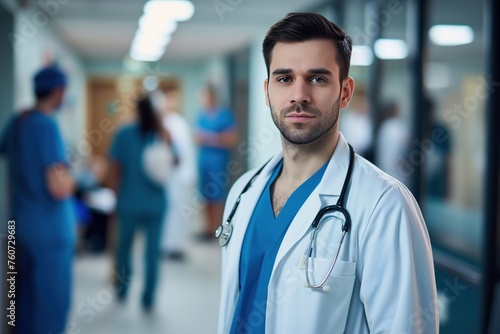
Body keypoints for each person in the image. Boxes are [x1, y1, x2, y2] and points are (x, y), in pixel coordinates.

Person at [217, 12, 438, 334]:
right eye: (284, 78)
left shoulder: (384, 204)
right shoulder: (244, 192)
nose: (299, 95)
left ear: (345, 92)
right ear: (267, 91)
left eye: (317, 79)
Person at [0, 65, 76, 334]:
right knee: (51, 307)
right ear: (58, 92)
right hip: (50, 235)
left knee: (23, 303)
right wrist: (74, 174)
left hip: (19, 228)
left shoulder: (19, 121)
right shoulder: (47, 126)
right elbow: (59, 187)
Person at [108, 94, 174, 311]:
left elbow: (115, 170)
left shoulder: (124, 133)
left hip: (129, 202)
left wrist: (115, 198)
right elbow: (175, 161)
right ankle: (148, 298)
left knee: (124, 248)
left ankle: (122, 290)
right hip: (156, 204)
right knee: (152, 253)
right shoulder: (161, 133)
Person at [156, 90, 198, 260]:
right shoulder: (161, 124)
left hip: (181, 175)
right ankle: (165, 245)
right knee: (167, 211)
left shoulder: (180, 123)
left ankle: (176, 245)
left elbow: (188, 152)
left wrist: (190, 173)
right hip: (168, 176)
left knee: (180, 212)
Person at [196, 83, 237, 240]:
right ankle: (207, 228)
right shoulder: (202, 115)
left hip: (218, 162)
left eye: (205, 96)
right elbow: (196, 137)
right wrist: (214, 138)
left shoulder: (224, 115)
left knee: (217, 195)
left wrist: (209, 138)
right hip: (204, 161)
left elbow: (230, 138)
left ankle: (217, 228)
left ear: (212, 96)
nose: (203, 100)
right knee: (204, 195)